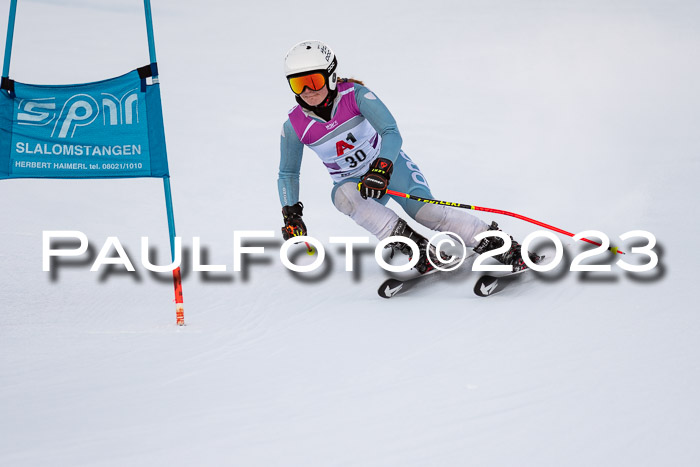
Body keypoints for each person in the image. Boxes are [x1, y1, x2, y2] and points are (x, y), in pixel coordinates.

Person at [278, 40, 537, 274]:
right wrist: (291, 216)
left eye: (314, 81)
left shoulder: (355, 96)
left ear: (331, 76)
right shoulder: (295, 125)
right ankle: (418, 250)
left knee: (428, 213)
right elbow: (288, 173)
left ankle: (503, 247)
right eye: (298, 84)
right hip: (356, 185)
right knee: (343, 197)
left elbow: (391, 132)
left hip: (390, 168)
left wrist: (381, 167)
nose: (307, 91)